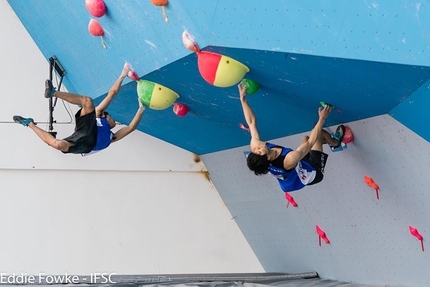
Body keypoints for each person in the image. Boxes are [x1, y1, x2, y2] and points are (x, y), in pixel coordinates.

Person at [13, 64, 145, 156]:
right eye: (111, 117)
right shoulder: (99, 117)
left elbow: (130, 127)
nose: (114, 120)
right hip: (88, 134)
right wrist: (141, 108)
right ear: (105, 117)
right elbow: (112, 95)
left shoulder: (111, 136)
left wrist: (123, 75)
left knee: (58, 145)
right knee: (87, 101)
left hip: (83, 142)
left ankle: (29, 123)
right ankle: (53, 92)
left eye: (112, 119)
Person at [238, 83, 344, 192]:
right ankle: (336, 144)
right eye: (260, 151)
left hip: (296, 167)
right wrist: (322, 118)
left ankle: (322, 143)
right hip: (311, 173)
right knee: (318, 132)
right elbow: (310, 143)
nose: (259, 147)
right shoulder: (289, 159)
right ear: (268, 158)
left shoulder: (258, 149)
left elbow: (251, 123)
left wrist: (243, 99)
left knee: (305, 139)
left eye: (256, 150)